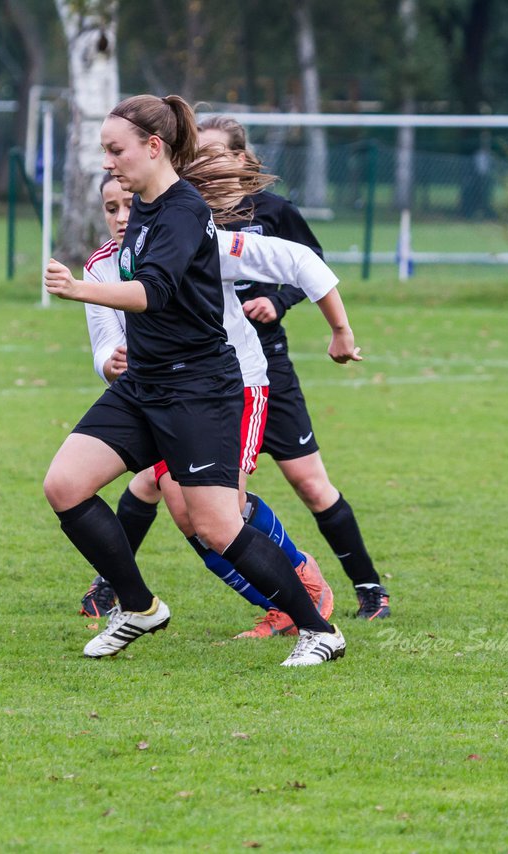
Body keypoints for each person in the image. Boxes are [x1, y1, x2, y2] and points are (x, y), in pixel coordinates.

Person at [43, 94, 358, 667]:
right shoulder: (140, 207)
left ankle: (319, 630)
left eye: (116, 150)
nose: (108, 162)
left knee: (216, 525)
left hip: (198, 389)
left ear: (153, 147)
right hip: (145, 387)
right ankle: (137, 607)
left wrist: (78, 288)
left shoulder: (184, 210)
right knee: (64, 485)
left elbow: (152, 293)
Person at [80, 171, 347, 636]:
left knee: (224, 511)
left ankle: (302, 584)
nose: (122, 217)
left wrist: (341, 330)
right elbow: (103, 344)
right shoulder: (102, 265)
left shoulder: (199, 239)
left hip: (235, 386)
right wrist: (111, 363)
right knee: (188, 513)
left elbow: (300, 260)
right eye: (110, 208)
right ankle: (281, 605)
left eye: (128, 204)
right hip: (162, 394)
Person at [196, 115, 391, 622]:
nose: (204, 162)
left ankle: (369, 588)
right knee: (159, 483)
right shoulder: (188, 212)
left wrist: (276, 302)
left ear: (242, 158)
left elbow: (310, 263)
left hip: (266, 369)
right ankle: (112, 588)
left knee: (309, 482)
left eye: (214, 152)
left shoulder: (275, 211)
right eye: (196, 153)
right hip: (202, 371)